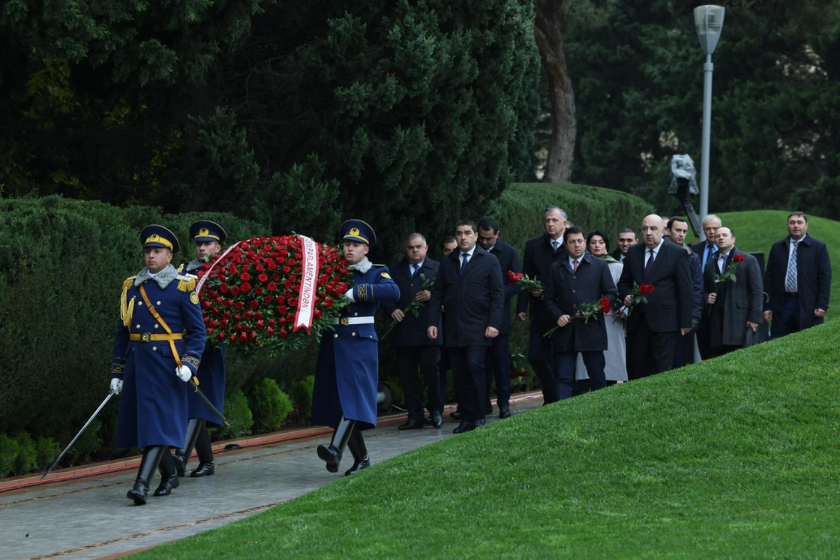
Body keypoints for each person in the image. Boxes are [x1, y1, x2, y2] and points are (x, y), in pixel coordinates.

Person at [110, 225, 206, 505]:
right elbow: (123, 333)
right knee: (149, 425)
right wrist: (117, 371)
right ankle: (170, 474)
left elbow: (197, 333)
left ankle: (140, 485)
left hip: (167, 365)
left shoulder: (182, 286)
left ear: (169, 256)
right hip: (139, 364)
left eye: (157, 251)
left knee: (156, 424)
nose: (151, 255)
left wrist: (190, 363)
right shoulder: (131, 287)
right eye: (148, 251)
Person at [312, 220, 400, 475]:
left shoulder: (375, 272)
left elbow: (393, 292)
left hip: (359, 342)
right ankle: (361, 459)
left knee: (351, 398)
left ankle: (335, 450)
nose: (349, 249)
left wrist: (357, 292)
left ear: (366, 249)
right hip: (334, 340)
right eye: (347, 244)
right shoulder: (334, 272)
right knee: (338, 401)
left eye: (356, 245)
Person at [428, 219, 503, 433]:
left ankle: (479, 415)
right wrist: (432, 322)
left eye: (468, 233)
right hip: (454, 327)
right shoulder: (447, 261)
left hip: (479, 327)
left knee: (474, 366)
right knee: (460, 373)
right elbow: (438, 293)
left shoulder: (489, 260)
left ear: (476, 236)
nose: (463, 237)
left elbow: (498, 294)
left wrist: (494, 323)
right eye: (459, 233)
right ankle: (467, 417)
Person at [170, 220, 228, 478]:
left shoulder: (226, 271)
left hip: (211, 345)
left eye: (208, 244)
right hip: (188, 344)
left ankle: (181, 456)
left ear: (218, 247)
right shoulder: (184, 271)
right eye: (199, 244)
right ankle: (207, 462)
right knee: (193, 399)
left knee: (199, 398)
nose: (202, 248)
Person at [544, 227, 619, 400]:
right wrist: (558, 315)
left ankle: (601, 408)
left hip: (591, 329)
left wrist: (594, 309)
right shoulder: (556, 268)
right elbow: (548, 298)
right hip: (565, 330)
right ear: (565, 245)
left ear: (585, 242)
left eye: (579, 241)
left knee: (597, 375)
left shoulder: (599, 265)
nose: (576, 245)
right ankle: (562, 411)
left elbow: (610, 294)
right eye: (572, 242)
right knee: (563, 376)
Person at [618, 215, 693, 379]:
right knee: (636, 367)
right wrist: (627, 295)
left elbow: (685, 289)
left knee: (661, 369)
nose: (648, 233)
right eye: (645, 229)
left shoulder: (677, 253)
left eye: (653, 228)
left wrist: (686, 322)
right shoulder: (634, 251)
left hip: (666, 322)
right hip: (638, 321)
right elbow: (624, 282)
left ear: (663, 231)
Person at [381, 233, 443, 430]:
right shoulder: (394, 270)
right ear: (405, 249)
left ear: (426, 248)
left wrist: (432, 295)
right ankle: (415, 416)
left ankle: (435, 411)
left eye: (418, 247)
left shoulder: (437, 268)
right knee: (408, 376)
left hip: (429, 329)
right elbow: (385, 295)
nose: (415, 250)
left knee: (431, 373)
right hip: (404, 330)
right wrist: (392, 309)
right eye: (411, 247)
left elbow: (449, 295)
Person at [516, 206, 568, 404]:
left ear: (564, 223)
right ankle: (552, 393)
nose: (550, 224)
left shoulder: (573, 243)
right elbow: (526, 275)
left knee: (559, 359)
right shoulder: (534, 245)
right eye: (547, 220)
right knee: (536, 356)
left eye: (554, 220)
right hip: (540, 311)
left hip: (563, 312)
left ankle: (555, 399)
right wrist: (522, 306)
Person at [477, 217, 522, 419]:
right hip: (477, 317)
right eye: (481, 238)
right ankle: (483, 402)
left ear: (497, 234)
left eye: (489, 238)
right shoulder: (474, 252)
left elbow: (518, 282)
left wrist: (497, 294)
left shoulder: (508, 252)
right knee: (480, 363)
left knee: (501, 363)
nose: (485, 242)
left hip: (499, 317)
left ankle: (504, 404)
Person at [763, 212, 832, 339]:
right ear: (787, 225)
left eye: (799, 222)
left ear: (806, 225)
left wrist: (822, 304)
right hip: (782, 302)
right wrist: (767, 306)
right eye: (792, 222)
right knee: (778, 340)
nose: (796, 226)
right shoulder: (777, 247)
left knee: (808, 340)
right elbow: (769, 277)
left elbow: (825, 278)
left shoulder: (818, 247)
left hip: (808, 303)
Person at [575, 229, 627, 384]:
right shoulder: (579, 266)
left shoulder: (618, 266)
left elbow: (625, 292)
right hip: (586, 319)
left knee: (611, 360)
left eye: (601, 242)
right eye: (593, 242)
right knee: (586, 366)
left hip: (611, 317)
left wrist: (625, 310)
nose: (597, 245)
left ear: (606, 245)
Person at [703, 227, 763, 356]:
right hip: (717, 321)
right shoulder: (709, 265)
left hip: (740, 319)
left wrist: (755, 318)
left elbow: (757, 291)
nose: (720, 238)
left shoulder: (748, 260)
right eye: (717, 236)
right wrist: (706, 297)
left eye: (724, 235)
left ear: (733, 239)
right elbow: (704, 289)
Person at [668, 216, 704, 368]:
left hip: (682, 317)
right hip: (661, 314)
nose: (681, 234)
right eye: (678, 230)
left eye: (684, 231)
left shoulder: (692, 256)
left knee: (679, 360)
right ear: (668, 231)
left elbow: (697, 288)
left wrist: (694, 317)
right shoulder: (659, 252)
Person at [692, 214, 722, 359]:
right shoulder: (695, 249)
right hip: (701, 305)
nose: (712, 232)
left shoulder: (727, 250)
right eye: (708, 229)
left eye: (715, 228)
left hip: (721, 305)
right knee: (704, 345)